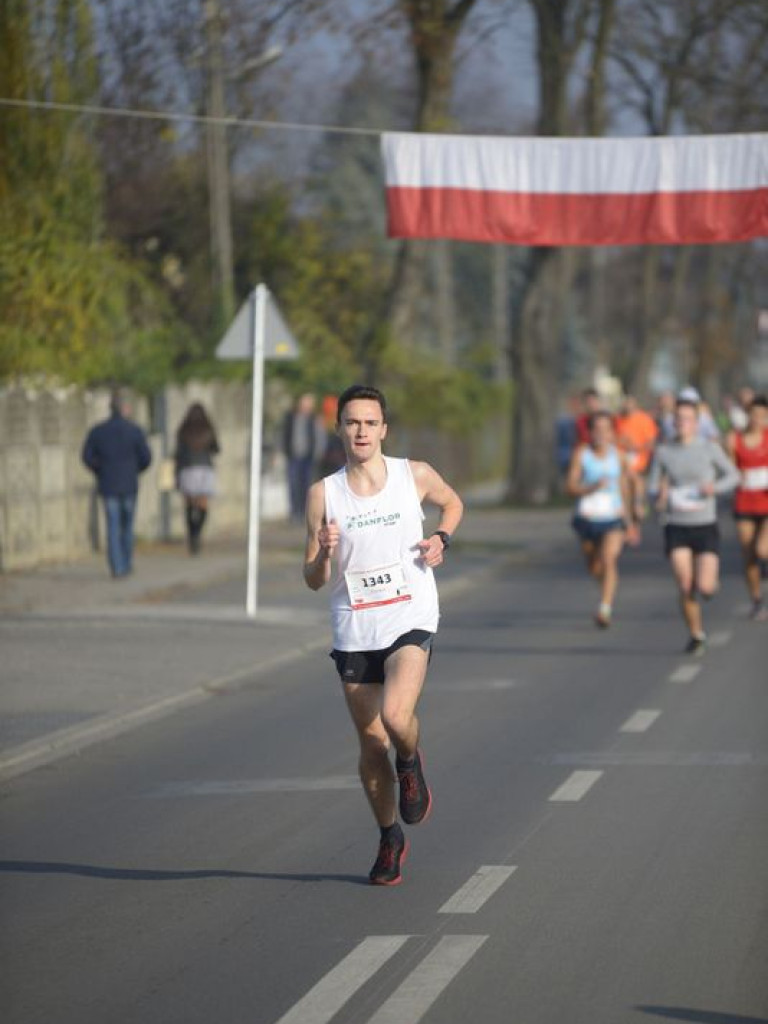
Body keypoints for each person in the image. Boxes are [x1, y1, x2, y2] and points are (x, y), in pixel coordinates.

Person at [303, 384, 463, 886]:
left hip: (410, 614)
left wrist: (441, 538)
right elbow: (312, 577)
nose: (361, 431)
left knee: (396, 717)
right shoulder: (323, 494)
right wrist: (325, 552)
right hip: (355, 626)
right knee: (371, 743)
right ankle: (389, 836)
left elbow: (452, 503)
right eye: (352, 422)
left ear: (384, 429)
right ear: (340, 429)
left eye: (370, 422)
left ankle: (411, 761)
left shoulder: (411, 475)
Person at [648, 393, 740, 655]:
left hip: (704, 523)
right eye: (678, 419)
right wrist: (659, 494)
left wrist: (714, 488)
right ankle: (696, 633)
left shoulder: (709, 448)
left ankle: (708, 584)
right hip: (676, 524)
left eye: (687, 419)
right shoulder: (664, 452)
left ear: (697, 423)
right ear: (672, 422)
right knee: (685, 584)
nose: (682, 423)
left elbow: (734, 475)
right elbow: (652, 485)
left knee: (705, 587)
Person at [567, 411, 636, 628]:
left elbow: (625, 489)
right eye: (596, 429)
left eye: (605, 429)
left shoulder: (620, 456)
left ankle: (605, 607)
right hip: (587, 518)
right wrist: (591, 487)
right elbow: (570, 487)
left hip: (613, 517)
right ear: (589, 432)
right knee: (594, 567)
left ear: (611, 432)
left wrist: (630, 523)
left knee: (609, 559)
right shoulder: (582, 454)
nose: (601, 434)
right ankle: (607, 586)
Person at [81, 390, 152, 578]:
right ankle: (126, 563)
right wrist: (134, 470)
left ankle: (117, 567)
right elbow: (146, 458)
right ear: (125, 409)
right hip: (129, 484)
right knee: (127, 527)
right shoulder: (135, 430)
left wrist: (100, 469)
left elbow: (86, 457)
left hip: (108, 484)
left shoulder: (98, 431)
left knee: (112, 526)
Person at [726, 395, 768, 620]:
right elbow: (729, 469)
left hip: (766, 501)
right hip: (745, 501)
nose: (758, 420)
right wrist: (737, 472)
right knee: (749, 553)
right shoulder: (736, 439)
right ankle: (757, 600)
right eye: (754, 415)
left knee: (763, 549)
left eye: (763, 416)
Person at [175, 403, 220, 555]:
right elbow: (216, 448)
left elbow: (178, 453)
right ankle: (198, 533)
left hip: (188, 468)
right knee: (203, 503)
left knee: (189, 504)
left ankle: (192, 533)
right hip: (204, 468)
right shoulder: (208, 429)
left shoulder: (184, 430)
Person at [614, 393, 659, 529]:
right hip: (622, 462)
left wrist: (636, 447)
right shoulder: (617, 420)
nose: (626, 405)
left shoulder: (644, 419)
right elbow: (612, 439)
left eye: (629, 402)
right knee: (625, 485)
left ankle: (638, 505)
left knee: (636, 480)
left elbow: (651, 443)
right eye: (624, 402)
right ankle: (628, 515)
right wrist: (622, 442)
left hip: (640, 461)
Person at [283, 393, 326, 521]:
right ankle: (294, 512)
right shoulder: (291, 417)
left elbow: (320, 437)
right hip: (293, 456)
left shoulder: (315, 419)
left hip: (309, 457)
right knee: (293, 484)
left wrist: (318, 453)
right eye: (303, 402)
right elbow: (282, 435)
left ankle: (305, 511)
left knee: (307, 484)